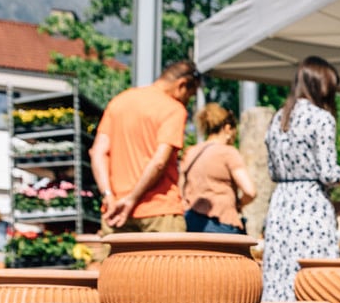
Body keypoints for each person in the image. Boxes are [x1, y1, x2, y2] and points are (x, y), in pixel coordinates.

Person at [260, 56, 340, 303]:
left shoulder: (279, 118)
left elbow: (273, 172)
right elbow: (328, 173)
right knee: (313, 279)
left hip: (281, 206)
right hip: (310, 208)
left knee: (280, 278)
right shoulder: (321, 118)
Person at [92, 59, 200, 232]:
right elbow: (159, 162)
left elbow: (98, 152)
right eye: (190, 95)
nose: (187, 101)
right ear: (182, 85)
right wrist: (132, 199)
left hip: (115, 211)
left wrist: (108, 195)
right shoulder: (173, 109)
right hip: (159, 211)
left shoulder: (119, 101)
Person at [180, 103, 256, 235]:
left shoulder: (191, 152)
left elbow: (181, 189)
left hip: (191, 222)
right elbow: (250, 191)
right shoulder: (228, 152)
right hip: (222, 222)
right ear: (227, 128)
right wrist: (239, 204)